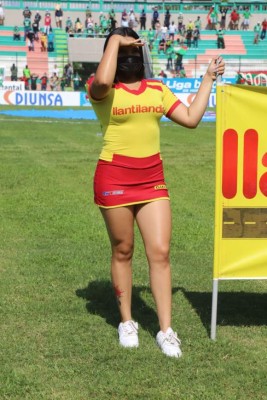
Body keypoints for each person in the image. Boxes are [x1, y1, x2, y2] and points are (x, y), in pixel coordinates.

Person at [85, 27, 225, 358]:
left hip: (152, 180)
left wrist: (207, 79)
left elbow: (191, 118)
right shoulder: (101, 89)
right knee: (123, 249)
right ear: (113, 54)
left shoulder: (157, 89)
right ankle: (127, 322)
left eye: (134, 51)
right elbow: (103, 82)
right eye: (123, 52)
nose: (130, 58)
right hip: (113, 178)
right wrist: (116, 41)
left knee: (160, 252)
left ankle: (166, 330)